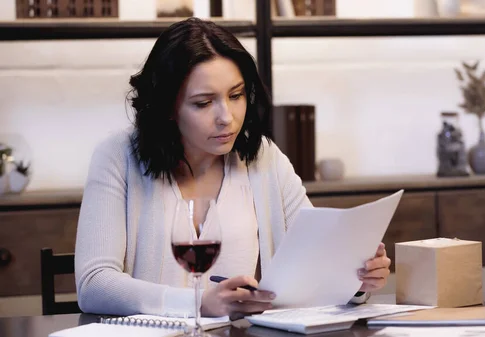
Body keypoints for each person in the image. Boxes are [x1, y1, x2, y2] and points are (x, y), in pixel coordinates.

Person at [74, 17, 391, 321]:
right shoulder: (118, 158)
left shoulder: (264, 159)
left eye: (236, 95)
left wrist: (355, 282)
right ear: (168, 107)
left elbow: (313, 265)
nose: (226, 116)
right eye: (203, 103)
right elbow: (94, 283)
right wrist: (199, 305)